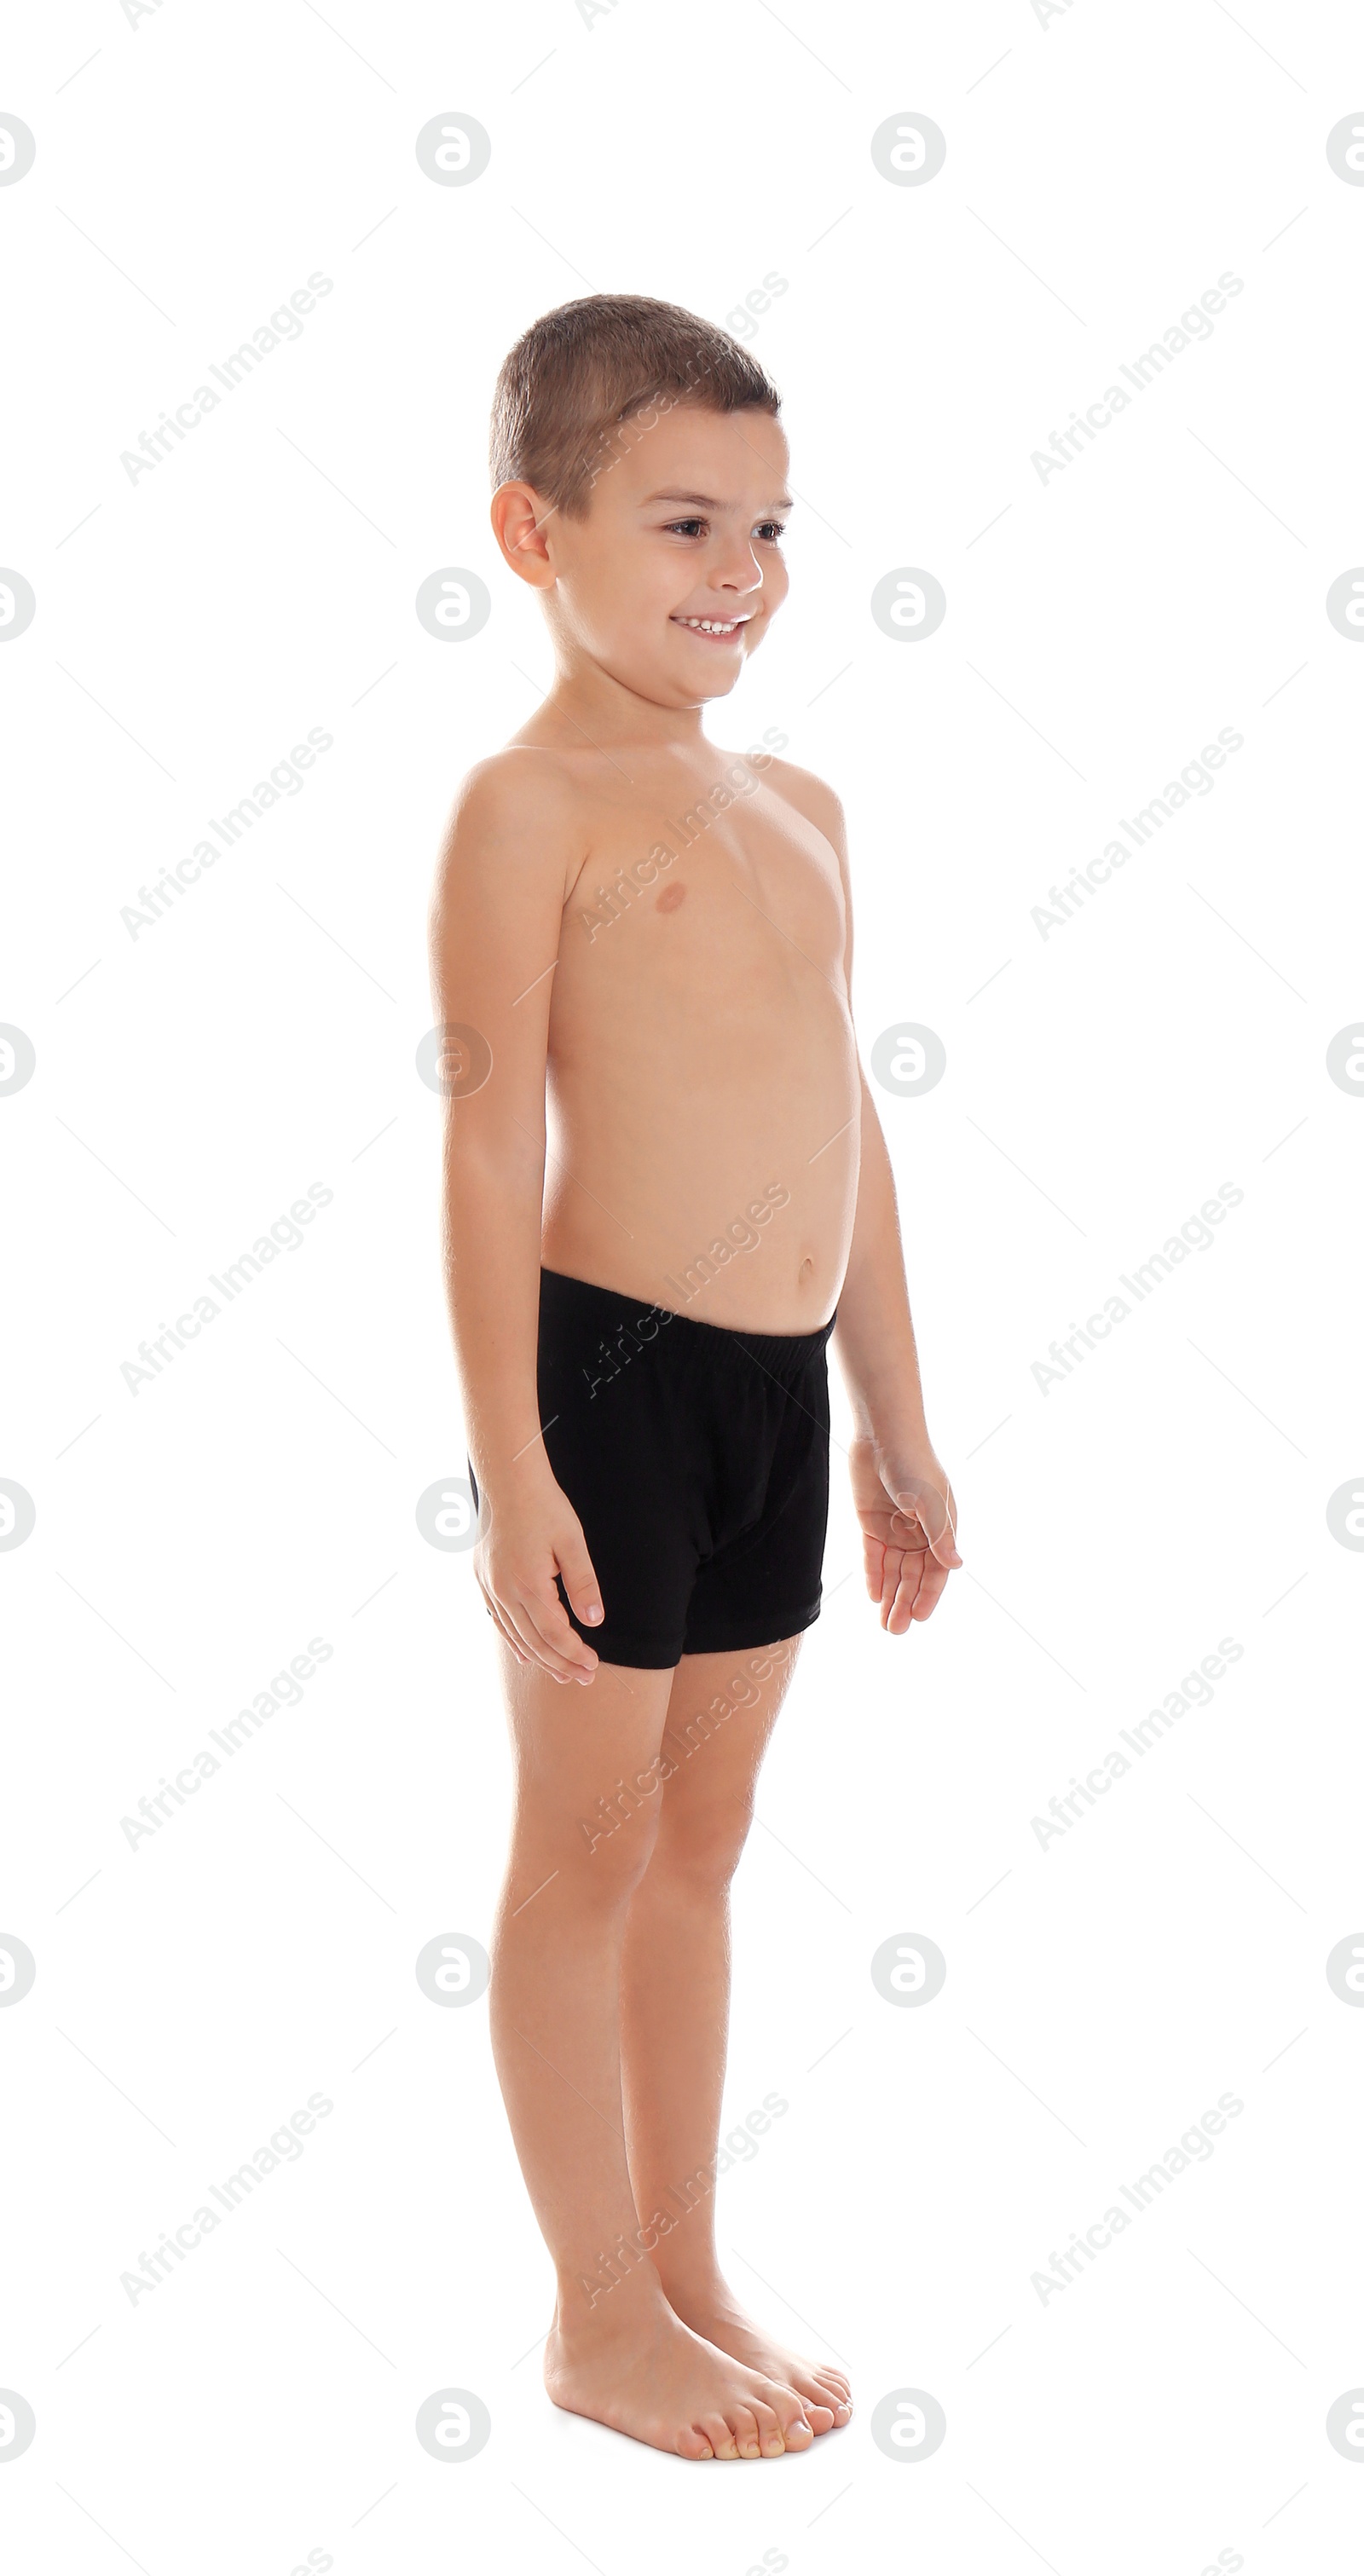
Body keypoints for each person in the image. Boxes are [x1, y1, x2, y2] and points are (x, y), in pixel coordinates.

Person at [430, 293, 960, 2463]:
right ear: (530, 533)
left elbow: (843, 1121)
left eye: (760, 522)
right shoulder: (523, 801)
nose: (732, 567)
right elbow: (480, 1139)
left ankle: (682, 2255)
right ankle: (589, 2313)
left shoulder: (801, 799)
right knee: (587, 1842)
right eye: (676, 521)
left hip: (771, 1395)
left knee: (705, 1843)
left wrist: (896, 1416)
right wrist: (506, 1468)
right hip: (606, 1386)